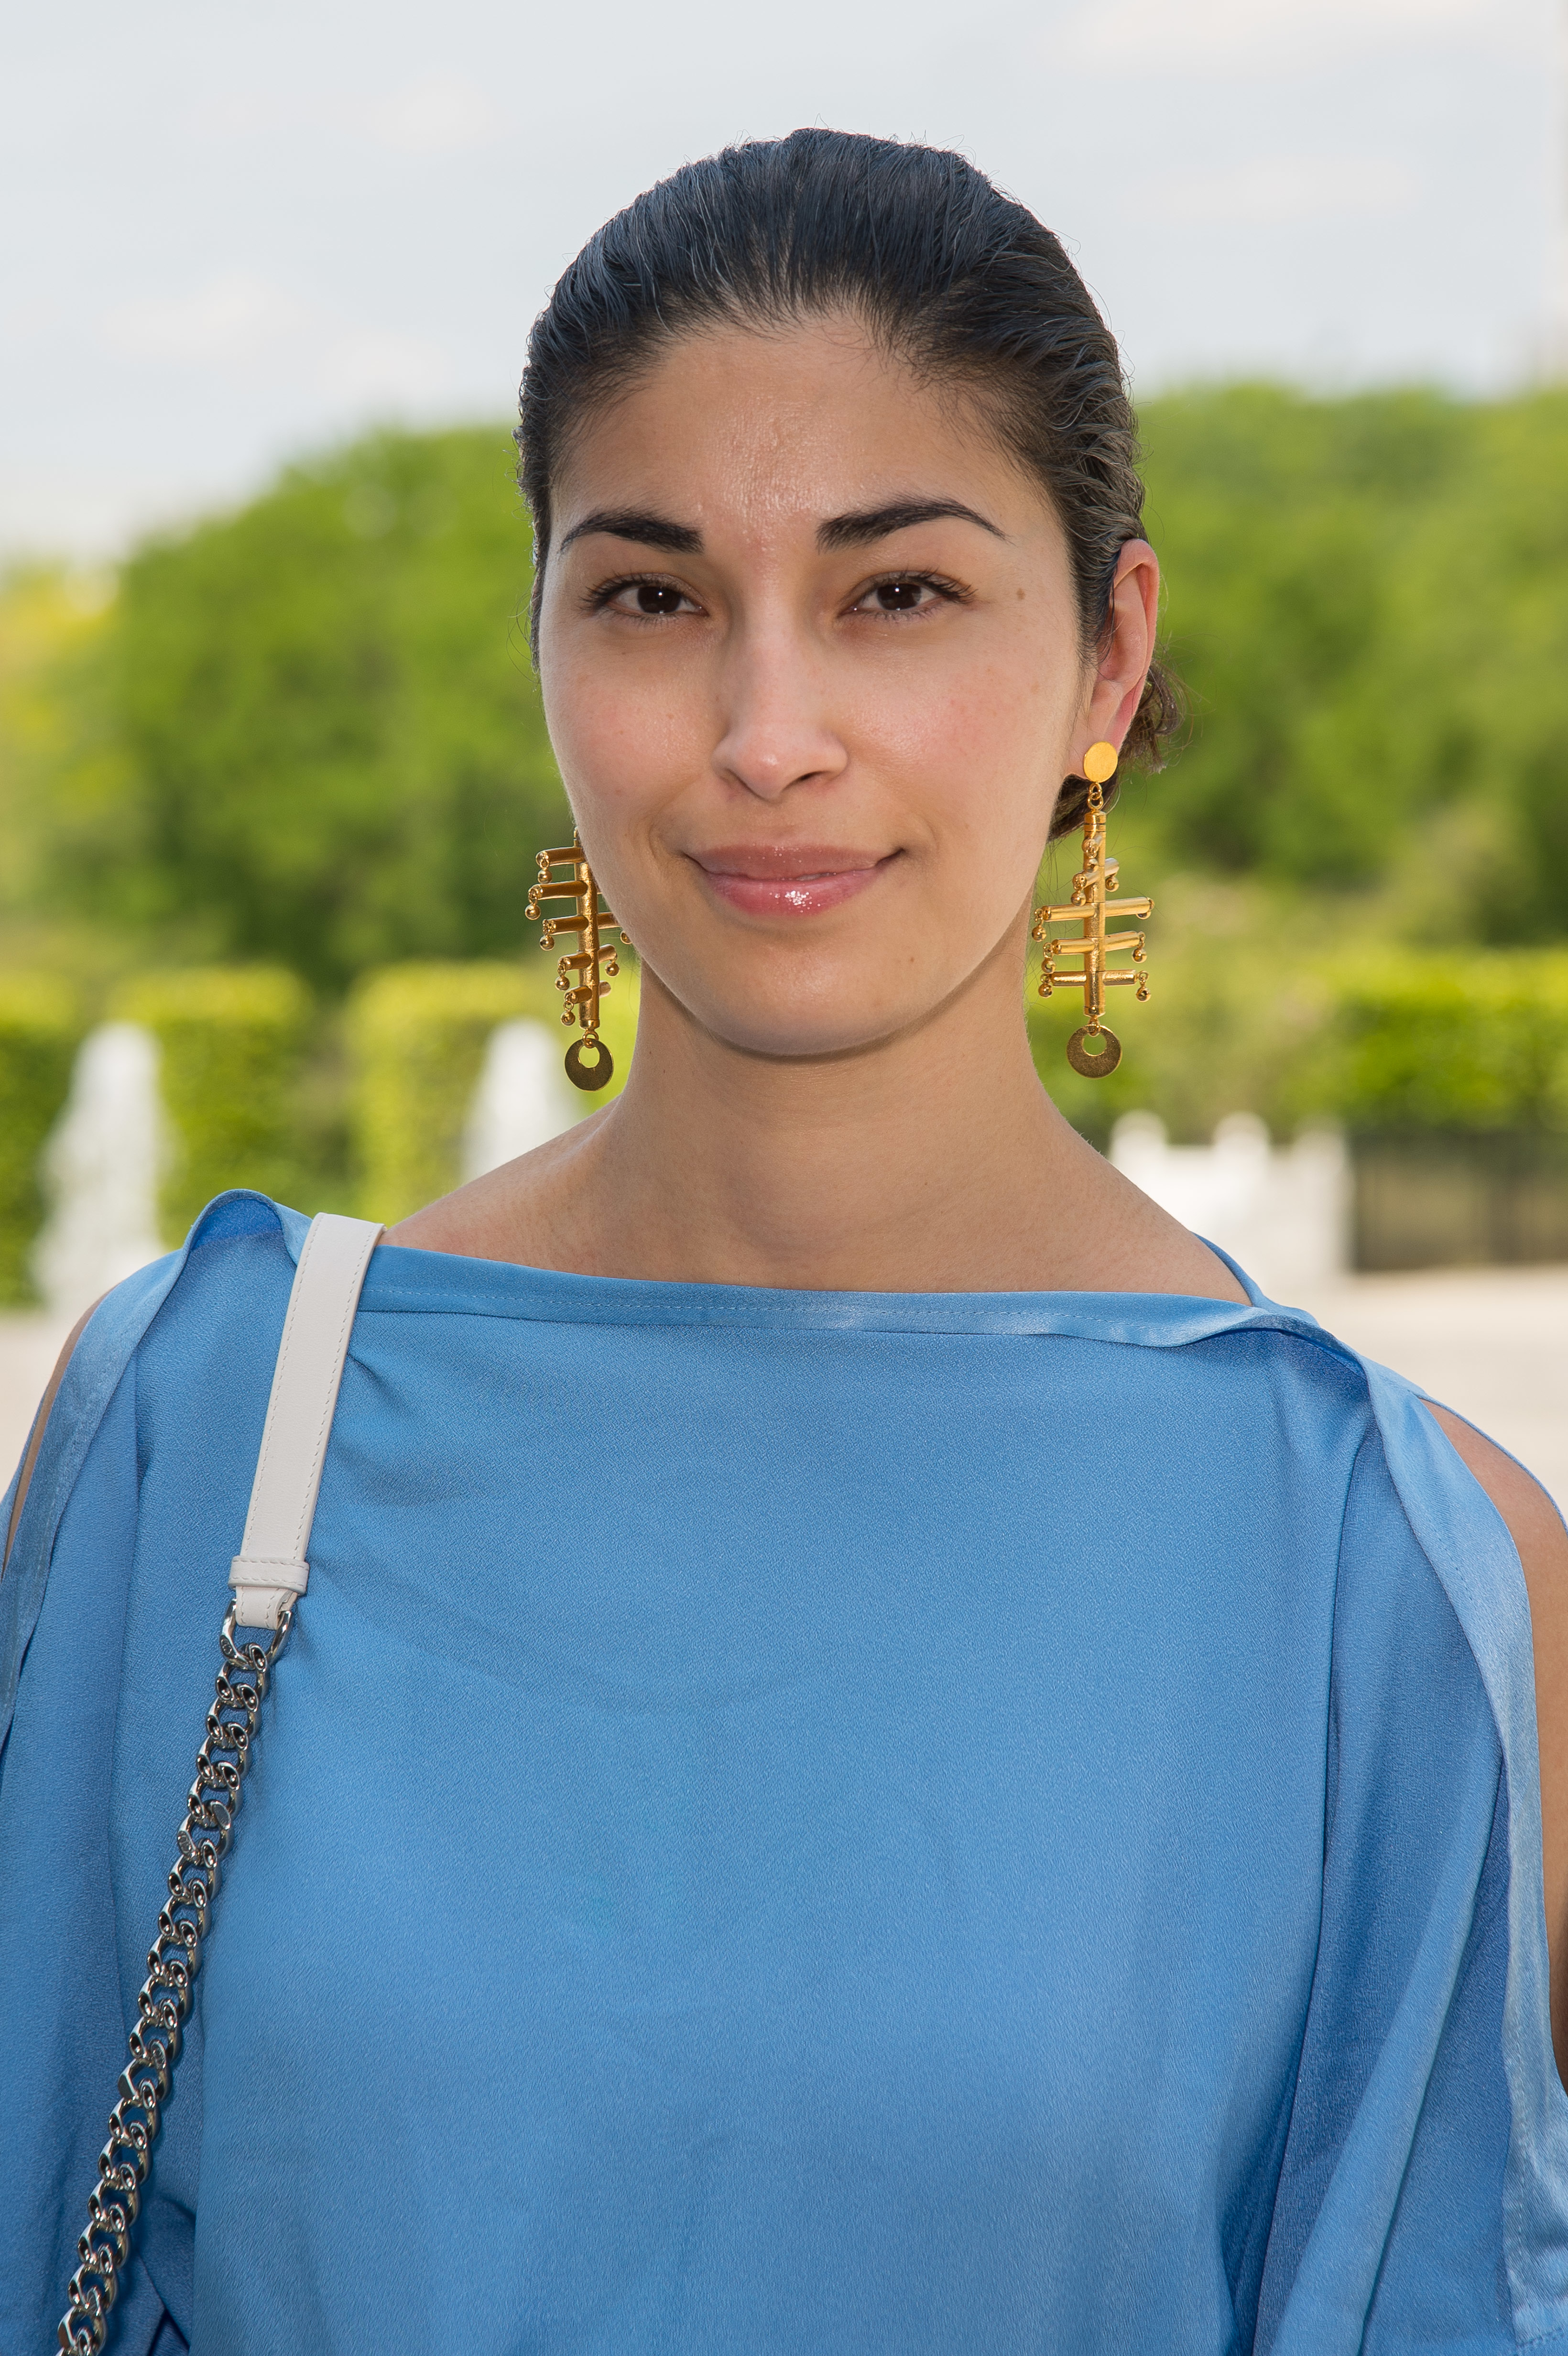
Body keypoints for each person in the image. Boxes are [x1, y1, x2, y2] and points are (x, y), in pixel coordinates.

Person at [4, 128, 1568, 2355]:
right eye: (648, 594)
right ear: (541, 642)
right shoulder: (204, 1418)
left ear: (1109, 661)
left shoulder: (1410, 1572)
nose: (764, 735)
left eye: (895, 592)